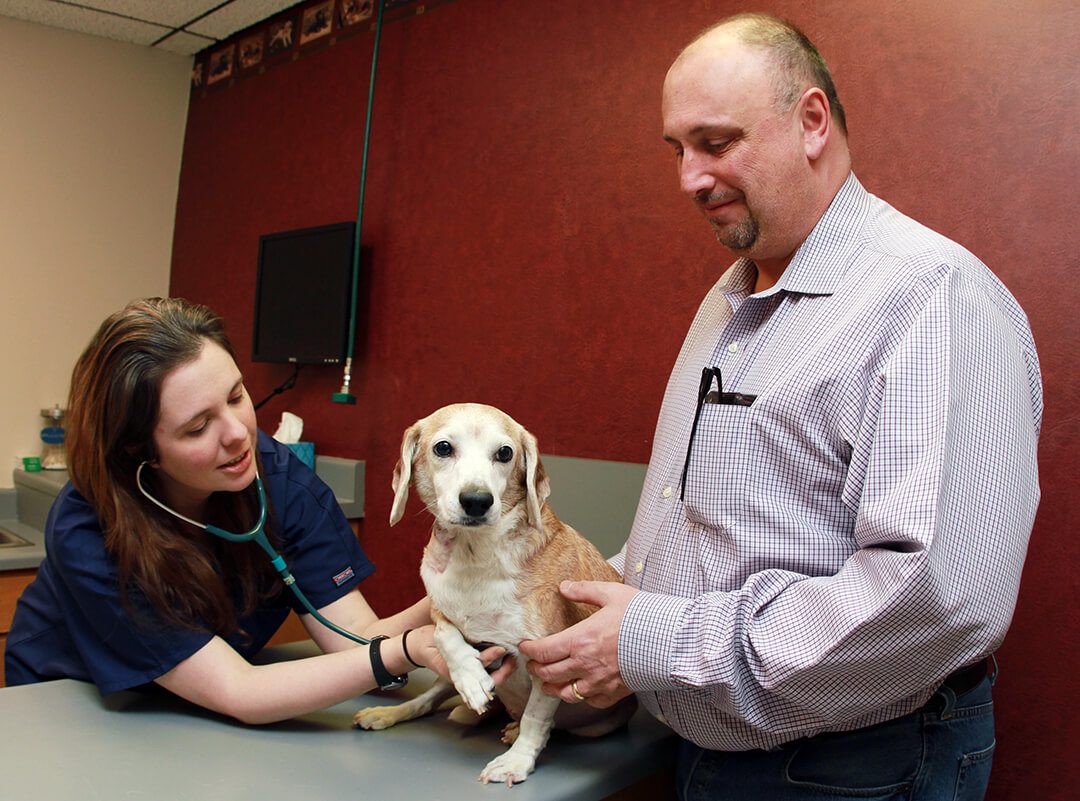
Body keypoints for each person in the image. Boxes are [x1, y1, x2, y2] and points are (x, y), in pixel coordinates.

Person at [519, 13, 1042, 800]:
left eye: (717, 143)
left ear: (811, 122)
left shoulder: (930, 297)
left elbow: (936, 598)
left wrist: (655, 639)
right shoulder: (729, 299)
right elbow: (705, 530)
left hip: (854, 765)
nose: (689, 178)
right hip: (708, 749)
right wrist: (574, 617)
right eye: (678, 150)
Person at [4, 297, 509, 724]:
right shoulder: (90, 530)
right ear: (140, 450)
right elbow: (240, 691)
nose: (237, 433)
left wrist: (462, 582)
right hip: (70, 707)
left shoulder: (279, 482)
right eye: (198, 427)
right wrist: (408, 648)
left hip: (199, 712)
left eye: (237, 396)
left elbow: (356, 645)